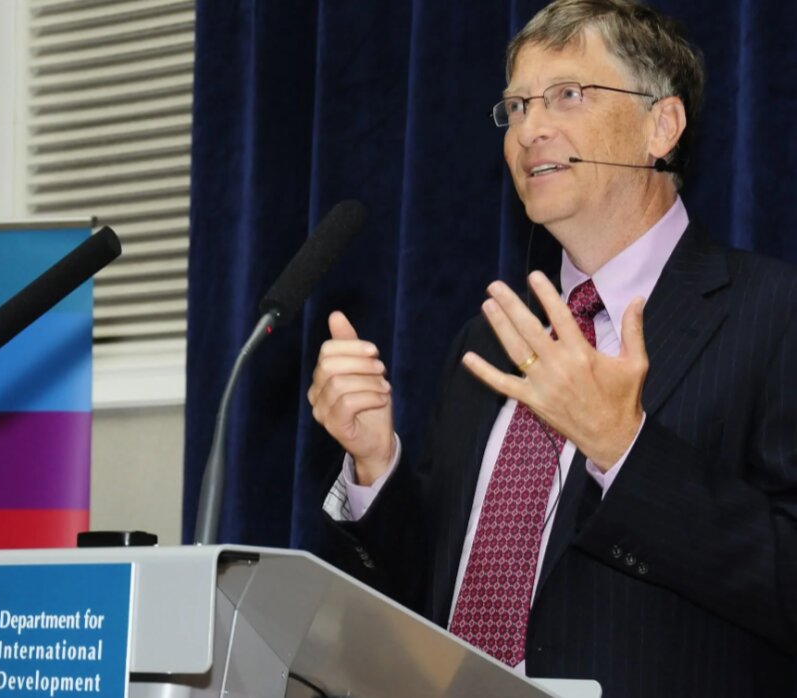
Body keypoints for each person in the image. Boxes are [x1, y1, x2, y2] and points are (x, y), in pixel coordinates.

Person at [307, 1, 797, 695]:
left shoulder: (774, 314)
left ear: (661, 125)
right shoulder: (491, 337)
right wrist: (374, 465)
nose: (530, 129)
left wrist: (625, 450)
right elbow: (429, 595)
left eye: (567, 95)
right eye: (516, 106)